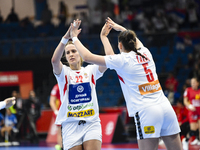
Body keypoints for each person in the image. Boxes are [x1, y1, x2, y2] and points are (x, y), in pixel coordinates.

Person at [69, 18, 182, 150]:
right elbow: (130, 41)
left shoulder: (123, 60)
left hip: (147, 111)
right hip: (166, 107)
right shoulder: (146, 52)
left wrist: (74, 38)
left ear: (120, 46)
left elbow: (87, 57)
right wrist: (118, 28)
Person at [51, 22, 111, 150]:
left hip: (91, 123)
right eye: (68, 53)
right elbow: (54, 61)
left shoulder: (91, 70)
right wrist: (65, 38)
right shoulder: (64, 73)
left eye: (74, 51)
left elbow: (110, 59)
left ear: (80, 53)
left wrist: (104, 38)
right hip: (70, 125)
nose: (71, 54)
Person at [183, 77, 200, 147]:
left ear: (198, 83)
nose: (192, 84)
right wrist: (189, 106)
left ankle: (198, 139)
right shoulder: (188, 90)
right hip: (192, 112)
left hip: (199, 112)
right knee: (193, 129)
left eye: (194, 82)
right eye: (191, 82)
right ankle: (186, 140)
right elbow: (185, 101)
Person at [49, 84, 62, 150]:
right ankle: (61, 147)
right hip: (59, 113)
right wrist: (56, 111)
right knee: (60, 130)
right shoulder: (56, 87)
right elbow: (51, 101)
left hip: (70, 113)